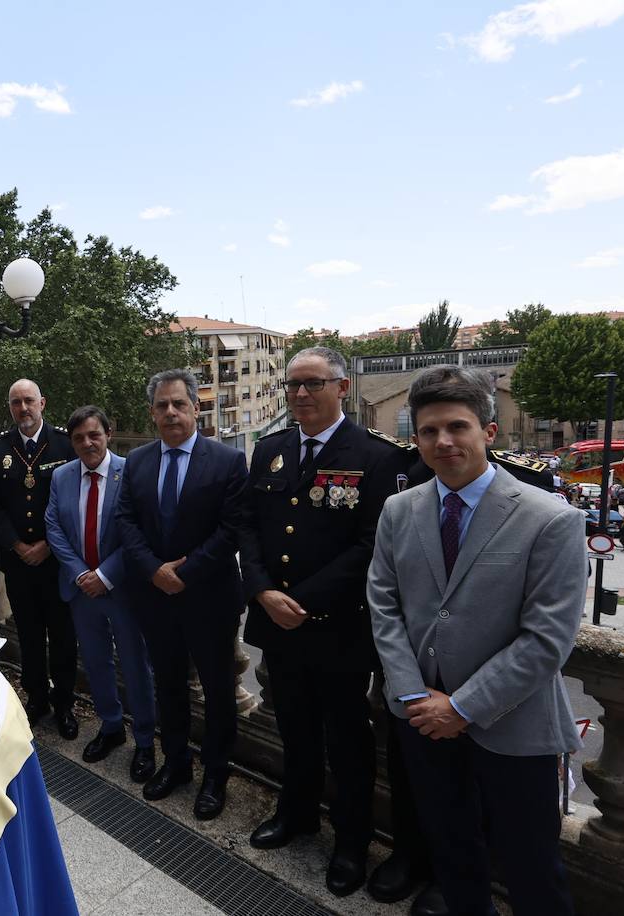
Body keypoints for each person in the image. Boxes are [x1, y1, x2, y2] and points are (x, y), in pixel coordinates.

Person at [368, 365, 584, 916]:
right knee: (454, 855)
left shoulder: (550, 519)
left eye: (457, 427)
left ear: (489, 431)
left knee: (532, 869)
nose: (443, 442)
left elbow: (546, 639)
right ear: (415, 439)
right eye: (429, 431)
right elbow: (385, 606)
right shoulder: (398, 510)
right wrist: (415, 697)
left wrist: (462, 707)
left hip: (511, 728)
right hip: (424, 723)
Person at [239, 346, 413, 897]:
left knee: (347, 739)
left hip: (337, 627)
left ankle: (351, 841)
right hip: (277, 620)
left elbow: (370, 546)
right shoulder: (269, 450)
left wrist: (303, 601)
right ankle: (297, 814)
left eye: (312, 383)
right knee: (292, 726)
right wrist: (263, 590)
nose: (299, 394)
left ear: (342, 387)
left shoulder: (377, 456)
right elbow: (248, 528)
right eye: (292, 385)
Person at [113, 371, 248, 813]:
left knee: (217, 689)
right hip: (155, 597)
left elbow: (232, 529)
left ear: (195, 408)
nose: (171, 412)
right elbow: (126, 522)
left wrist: (184, 573)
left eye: (179, 404)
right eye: (162, 406)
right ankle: (176, 762)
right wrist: (154, 571)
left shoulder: (227, 461)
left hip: (209, 598)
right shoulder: (137, 462)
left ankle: (215, 772)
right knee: (168, 684)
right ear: (152, 413)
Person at [47, 405, 158, 784]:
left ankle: (145, 740)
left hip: (122, 588)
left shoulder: (130, 473)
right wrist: (81, 575)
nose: (87, 443)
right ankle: (112, 726)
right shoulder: (61, 476)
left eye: (94, 434)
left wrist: (105, 575)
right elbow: (54, 528)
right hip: (81, 591)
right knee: (95, 662)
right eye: (78, 438)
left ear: (108, 433)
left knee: (135, 665)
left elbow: (139, 533)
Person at [0, 378, 78, 737]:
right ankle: (37, 699)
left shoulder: (65, 443)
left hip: (57, 561)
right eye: (16, 403)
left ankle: (66, 704)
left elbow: (73, 504)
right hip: (19, 562)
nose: (23, 408)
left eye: (29, 401)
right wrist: (17, 545)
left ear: (43, 403)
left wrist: (49, 546)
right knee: (30, 636)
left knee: (64, 636)